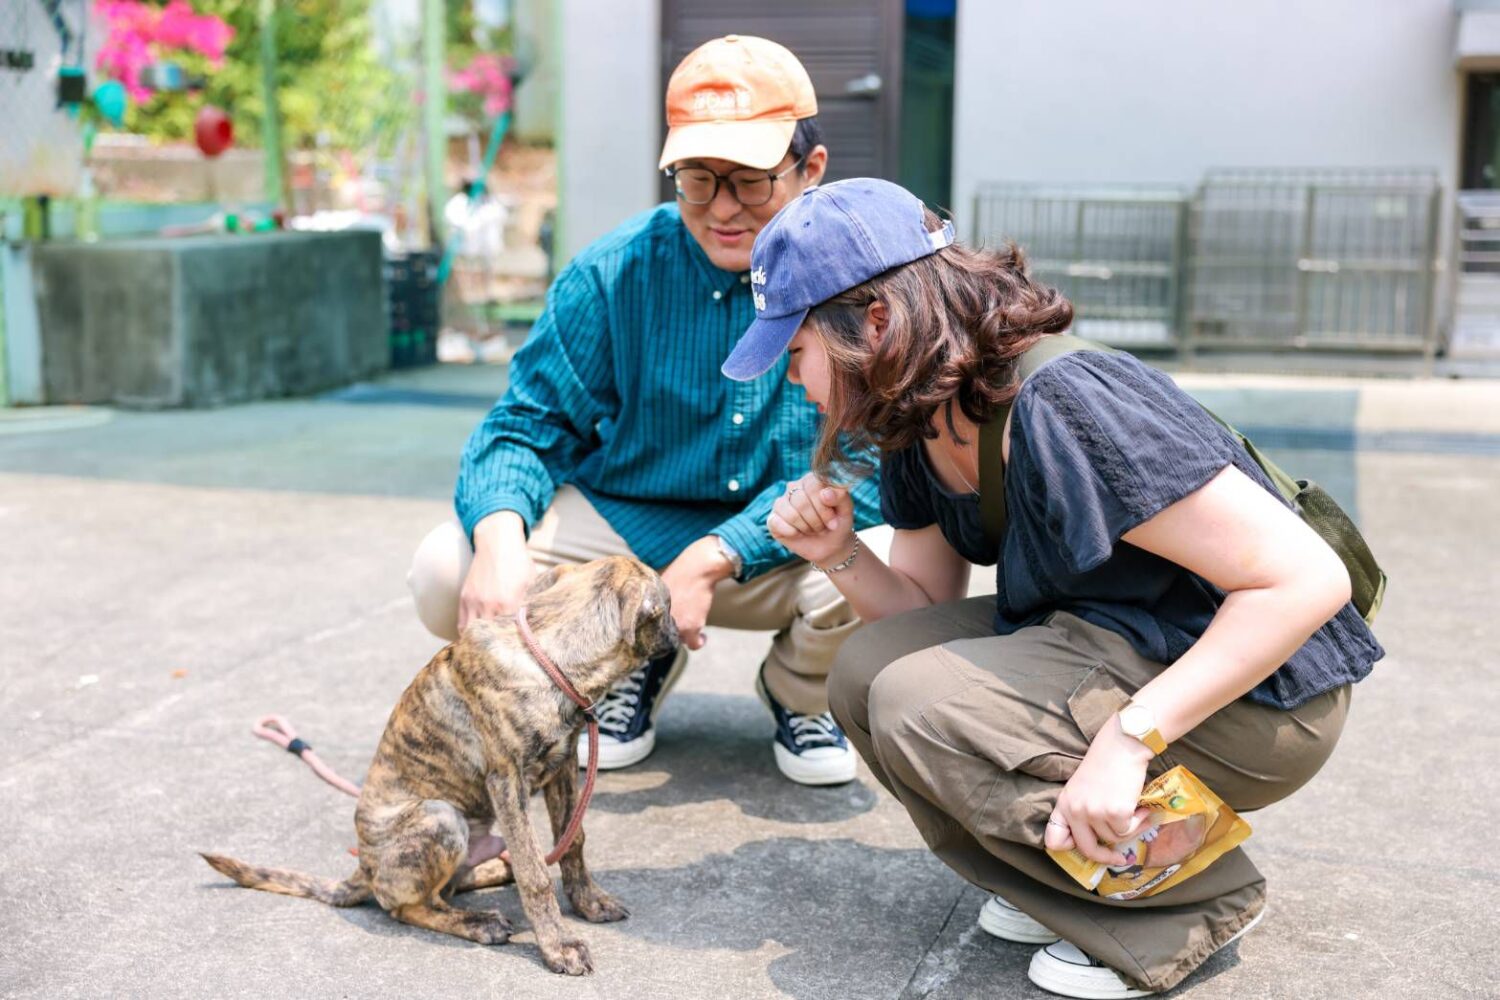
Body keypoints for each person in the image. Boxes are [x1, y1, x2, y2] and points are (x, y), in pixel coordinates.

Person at [720, 178, 1383, 997]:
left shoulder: (1065, 401)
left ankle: (1183, 900)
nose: (794, 381)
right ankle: (1070, 877)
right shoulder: (917, 416)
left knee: (922, 701)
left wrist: (1127, 741)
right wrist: (837, 554)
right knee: (868, 671)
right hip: (1117, 646)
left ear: (878, 324)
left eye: (795, 353)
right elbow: (921, 615)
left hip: (1263, 695)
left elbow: (1303, 578)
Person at [407, 36, 883, 786]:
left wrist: (717, 554)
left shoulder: (859, 278)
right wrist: (501, 543)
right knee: (448, 567)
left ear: (810, 169)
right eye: (698, 180)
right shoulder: (611, 271)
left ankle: (801, 692)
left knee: (889, 555)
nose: (723, 210)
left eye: (753, 182)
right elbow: (525, 427)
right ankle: (633, 656)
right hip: (620, 538)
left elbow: (869, 461)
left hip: (784, 539)